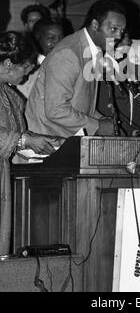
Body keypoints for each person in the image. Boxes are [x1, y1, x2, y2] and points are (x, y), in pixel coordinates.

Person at [26, 0, 127, 138]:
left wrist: (101, 120)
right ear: (95, 25)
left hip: (64, 141)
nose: (119, 36)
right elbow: (56, 110)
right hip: (46, 144)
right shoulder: (68, 53)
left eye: (122, 30)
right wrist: (98, 125)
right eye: (114, 29)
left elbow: (82, 104)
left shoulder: (92, 51)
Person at [0, 31, 63, 255]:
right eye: (26, 69)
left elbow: (16, 134)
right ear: (8, 63)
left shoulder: (10, 96)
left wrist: (42, 141)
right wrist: (25, 139)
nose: (27, 76)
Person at [17, 18, 64, 99]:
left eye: (61, 37)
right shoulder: (28, 65)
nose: (58, 42)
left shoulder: (65, 63)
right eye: (51, 38)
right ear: (37, 38)